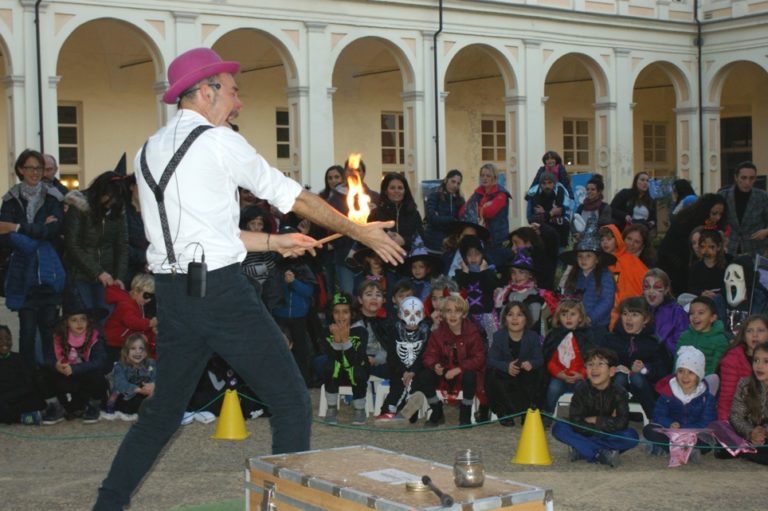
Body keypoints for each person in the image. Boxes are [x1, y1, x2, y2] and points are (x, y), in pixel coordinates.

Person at [93, 47, 403, 510]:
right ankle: (286, 505)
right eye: (234, 92)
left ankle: (107, 505)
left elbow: (198, 231)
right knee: (292, 400)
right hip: (219, 292)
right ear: (206, 91)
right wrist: (358, 230)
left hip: (174, 296)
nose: (238, 103)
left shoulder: (147, 150)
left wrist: (275, 244)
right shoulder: (220, 141)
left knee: (160, 415)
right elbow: (291, 195)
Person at [0, 149, 65, 370]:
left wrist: (19, 227)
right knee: (26, 332)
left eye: (38, 168)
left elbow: (53, 231)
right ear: (20, 170)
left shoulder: (53, 197)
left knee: (48, 330)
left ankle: (49, 384)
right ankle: (29, 384)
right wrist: (38, 230)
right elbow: (6, 235)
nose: (35, 172)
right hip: (22, 273)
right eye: (30, 168)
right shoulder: (10, 199)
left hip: (48, 273)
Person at [551, 347, 640, 467]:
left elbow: (622, 422)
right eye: (590, 364)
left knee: (632, 436)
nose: (594, 368)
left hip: (608, 433)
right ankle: (601, 453)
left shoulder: (619, 392)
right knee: (559, 428)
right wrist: (604, 422)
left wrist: (596, 420)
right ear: (586, 370)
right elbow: (576, 421)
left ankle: (582, 449)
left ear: (612, 371)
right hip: (584, 432)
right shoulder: (581, 389)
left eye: (600, 364)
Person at [64, 170, 129, 318]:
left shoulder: (117, 211)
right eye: (108, 197)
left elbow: (122, 245)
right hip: (81, 275)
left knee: (106, 319)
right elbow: (73, 245)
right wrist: (98, 272)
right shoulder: (79, 207)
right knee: (84, 319)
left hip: (108, 277)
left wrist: (119, 277)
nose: (111, 202)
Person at [41, 295, 108, 425]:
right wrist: (56, 365)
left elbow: (100, 360)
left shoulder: (95, 337)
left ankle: (93, 406)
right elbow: (47, 359)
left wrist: (76, 369)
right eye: (74, 320)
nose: (79, 323)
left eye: (83, 319)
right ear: (66, 322)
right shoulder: (57, 338)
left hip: (85, 380)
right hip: (65, 377)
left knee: (98, 375)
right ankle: (56, 407)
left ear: (88, 321)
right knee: (42, 374)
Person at [643, 346, 716, 463]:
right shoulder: (668, 392)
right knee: (649, 429)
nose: (685, 376)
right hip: (671, 432)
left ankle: (669, 448)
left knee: (708, 441)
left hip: (694, 434)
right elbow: (658, 414)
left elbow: (707, 421)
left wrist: (684, 429)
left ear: (699, 375)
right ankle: (685, 450)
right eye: (681, 371)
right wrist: (670, 424)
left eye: (690, 372)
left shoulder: (706, 398)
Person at [422, 294, 486, 426]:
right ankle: (436, 410)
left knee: (470, 375)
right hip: (444, 373)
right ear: (443, 314)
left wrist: (460, 369)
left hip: (465, 373)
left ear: (464, 314)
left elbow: (479, 358)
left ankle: (465, 412)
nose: (452, 315)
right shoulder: (437, 334)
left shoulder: (473, 332)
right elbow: (428, 355)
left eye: (457, 311)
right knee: (425, 375)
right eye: (449, 311)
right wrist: (435, 366)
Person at [601, 297, 667, 419]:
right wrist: (613, 367)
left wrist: (644, 369)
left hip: (643, 390)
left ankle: (654, 418)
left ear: (645, 319)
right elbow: (600, 361)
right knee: (620, 376)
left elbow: (662, 372)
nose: (628, 319)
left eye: (634, 315)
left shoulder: (654, 343)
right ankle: (612, 416)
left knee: (636, 377)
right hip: (615, 385)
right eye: (625, 314)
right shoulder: (610, 339)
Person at [657, 193, 727, 295]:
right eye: (714, 213)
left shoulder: (711, 225)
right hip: (679, 271)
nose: (718, 218)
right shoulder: (685, 224)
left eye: (720, 214)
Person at [486, 301, 543, 426]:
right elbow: (490, 360)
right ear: (505, 319)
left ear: (526, 319)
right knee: (493, 374)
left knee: (536, 373)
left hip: (525, 374)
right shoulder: (498, 336)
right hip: (506, 375)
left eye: (520, 315)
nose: (515, 318)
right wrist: (506, 367)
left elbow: (539, 359)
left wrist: (531, 364)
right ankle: (504, 412)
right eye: (510, 314)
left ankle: (526, 411)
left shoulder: (532, 336)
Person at [376, 296, 430, 421]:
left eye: (416, 313)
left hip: (417, 371)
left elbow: (424, 355)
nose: (412, 317)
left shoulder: (426, 332)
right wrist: (403, 371)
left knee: (415, 386)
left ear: (423, 315)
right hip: (399, 370)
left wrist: (413, 371)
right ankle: (388, 411)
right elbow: (392, 356)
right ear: (400, 314)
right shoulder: (395, 330)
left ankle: (407, 412)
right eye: (407, 313)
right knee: (397, 386)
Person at [320, 293, 369, 426]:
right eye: (336, 312)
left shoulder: (360, 331)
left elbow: (357, 359)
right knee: (329, 367)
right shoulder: (327, 331)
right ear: (331, 314)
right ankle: (331, 407)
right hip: (337, 372)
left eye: (345, 312)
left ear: (352, 314)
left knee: (357, 371)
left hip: (356, 370)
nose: (341, 317)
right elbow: (330, 357)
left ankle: (359, 409)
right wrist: (336, 340)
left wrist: (346, 340)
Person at [559, 222, 616, 336]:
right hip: (575, 325)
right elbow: (568, 297)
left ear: (597, 259)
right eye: (580, 256)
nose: (583, 260)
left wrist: (590, 318)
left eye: (588, 256)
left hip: (597, 327)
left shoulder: (605, 276)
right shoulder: (574, 275)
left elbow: (607, 301)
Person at [542, 299, 596, 415]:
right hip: (559, 375)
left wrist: (582, 374)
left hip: (580, 376)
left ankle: (582, 415)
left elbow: (592, 360)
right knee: (553, 388)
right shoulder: (554, 335)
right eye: (564, 314)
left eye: (573, 314)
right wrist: (559, 374)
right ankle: (548, 413)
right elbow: (549, 360)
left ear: (580, 317)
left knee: (584, 389)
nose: (568, 318)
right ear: (558, 317)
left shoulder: (587, 336)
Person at [717, 314, 768, 421]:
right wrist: (725, 425)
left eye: (760, 330)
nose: (755, 335)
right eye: (749, 331)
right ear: (744, 336)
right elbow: (726, 398)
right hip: (742, 418)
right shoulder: (732, 359)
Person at [599, 224, 648, 330]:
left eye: (637, 241)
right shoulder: (600, 261)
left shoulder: (636, 262)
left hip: (630, 311)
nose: (631, 244)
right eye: (629, 239)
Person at [676, 296, 728, 395]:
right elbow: (676, 363)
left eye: (701, 313)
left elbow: (715, 368)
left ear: (713, 317)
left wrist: (697, 384)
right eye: (691, 313)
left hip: (705, 386)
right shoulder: (684, 336)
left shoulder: (720, 340)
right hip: (682, 382)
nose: (695, 316)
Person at [727, 340, 768, 465]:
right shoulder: (745, 384)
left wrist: (764, 433)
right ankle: (750, 451)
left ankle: (750, 452)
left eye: (766, 361)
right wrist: (751, 433)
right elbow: (736, 416)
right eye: (756, 360)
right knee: (723, 438)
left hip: (764, 436)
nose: (759, 366)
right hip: (749, 435)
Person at [104, 274, 157, 365]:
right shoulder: (126, 305)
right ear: (136, 291)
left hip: (122, 342)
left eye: (151, 297)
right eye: (146, 295)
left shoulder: (136, 303)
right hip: (113, 343)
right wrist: (150, 323)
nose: (148, 300)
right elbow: (132, 322)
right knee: (113, 368)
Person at [718, 161, 768, 257]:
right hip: (729, 249)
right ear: (736, 178)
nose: (747, 182)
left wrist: (766, 232)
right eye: (743, 178)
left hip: (756, 250)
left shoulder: (763, 197)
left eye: (751, 178)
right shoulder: (723, 196)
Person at [0, 325, 45, 425]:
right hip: (3, 399)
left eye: (8, 338)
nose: (4, 342)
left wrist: (8, 397)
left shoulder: (18, 358)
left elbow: (27, 384)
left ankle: (18, 416)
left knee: (35, 398)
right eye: (0, 339)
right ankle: (21, 417)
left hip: (17, 397)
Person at [493, 247, 546, 333]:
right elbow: (502, 316)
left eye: (521, 272)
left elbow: (533, 321)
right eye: (513, 272)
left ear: (530, 275)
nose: (516, 277)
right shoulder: (507, 292)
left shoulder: (533, 296)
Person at [105, 333, 156, 421]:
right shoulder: (120, 366)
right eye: (133, 348)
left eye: (141, 348)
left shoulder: (151, 363)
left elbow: (158, 377)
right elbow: (120, 384)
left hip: (147, 393)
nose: (138, 351)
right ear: (126, 351)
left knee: (159, 398)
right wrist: (140, 390)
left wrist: (153, 386)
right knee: (130, 404)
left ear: (146, 351)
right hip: (127, 394)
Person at [368, 172, 423, 252]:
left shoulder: (414, 214)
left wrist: (404, 241)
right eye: (392, 188)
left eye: (400, 188)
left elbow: (421, 238)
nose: (396, 191)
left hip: (408, 259)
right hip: (382, 259)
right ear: (386, 191)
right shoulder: (375, 214)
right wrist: (385, 237)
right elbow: (368, 237)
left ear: (405, 191)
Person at [460, 163, 511, 248]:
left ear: (494, 178)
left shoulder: (501, 194)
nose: (484, 178)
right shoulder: (477, 193)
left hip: (497, 239)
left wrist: (476, 208)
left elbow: (489, 212)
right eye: (482, 175)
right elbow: (463, 210)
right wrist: (483, 208)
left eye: (488, 176)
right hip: (480, 236)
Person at [642, 269, 688, 356]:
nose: (651, 291)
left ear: (666, 289)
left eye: (657, 287)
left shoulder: (677, 313)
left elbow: (681, 345)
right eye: (647, 287)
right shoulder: (638, 309)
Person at [356, 280, 394, 379]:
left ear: (383, 300)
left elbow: (388, 347)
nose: (374, 298)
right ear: (360, 299)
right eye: (369, 294)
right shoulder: (352, 321)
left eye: (378, 295)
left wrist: (376, 360)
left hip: (379, 361)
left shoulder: (387, 322)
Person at [526, 171, 572, 247]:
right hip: (541, 240)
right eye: (544, 183)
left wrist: (545, 213)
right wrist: (551, 213)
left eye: (549, 182)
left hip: (560, 239)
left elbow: (565, 220)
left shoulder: (560, 196)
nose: (547, 186)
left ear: (554, 183)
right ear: (540, 185)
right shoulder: (534, 197)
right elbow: (532, 219)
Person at [424, 169, 465, 253]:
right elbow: (431, 218)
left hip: (451, 245)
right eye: (453, 181)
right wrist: (451, 220)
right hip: (432, 244)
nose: (455, 185)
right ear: (446, 180)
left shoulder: (460, 201)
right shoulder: (434, 196)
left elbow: (461, 222)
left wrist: (440, 218)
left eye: (458, 183)